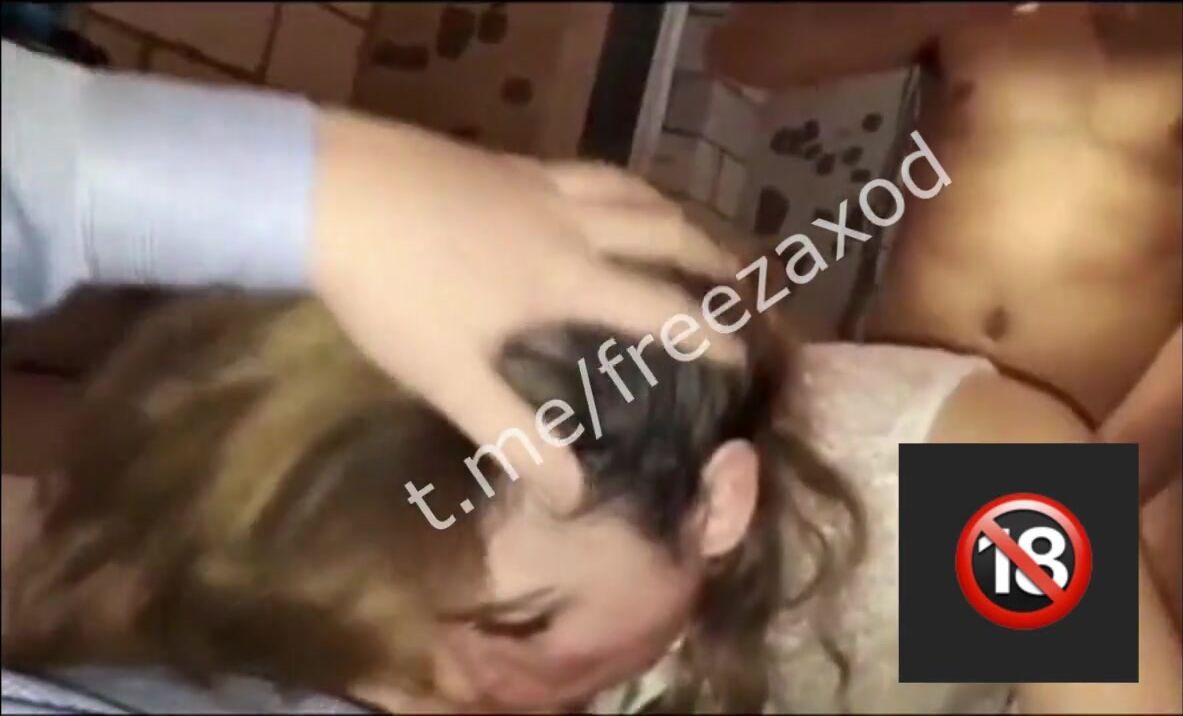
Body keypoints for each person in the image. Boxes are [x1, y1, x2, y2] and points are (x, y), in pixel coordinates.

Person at [4, 271, 1180, 714]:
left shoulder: (974, 480)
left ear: (715, 506)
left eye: (516, 627)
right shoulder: (391, 518)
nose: (438, 696)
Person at [706, 0, 1182, 626]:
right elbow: (744, 52)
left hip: (1080, 446)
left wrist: (1105, 473)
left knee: (1001, 670)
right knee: (809, 651)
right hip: (902, 417)